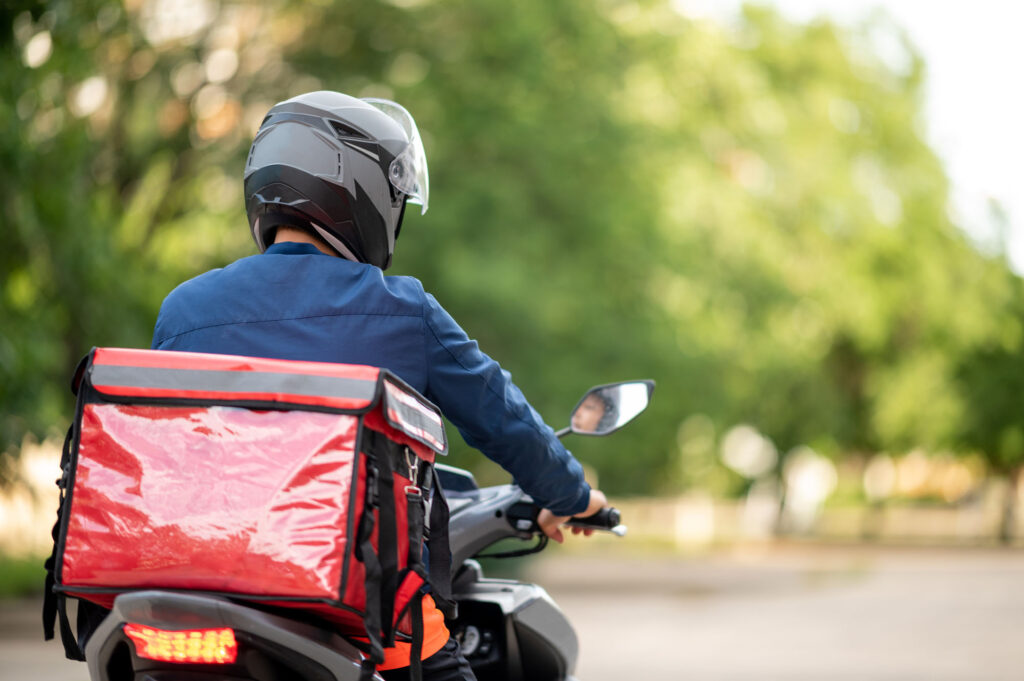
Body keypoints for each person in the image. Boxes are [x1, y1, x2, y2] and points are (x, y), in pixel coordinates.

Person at [150, 91, 608, 681]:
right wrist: (574, 496)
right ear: (359, 191)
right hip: (360, 612)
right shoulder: (402, 310)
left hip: (207, 594)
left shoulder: (183, 311)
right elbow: (505, 421)